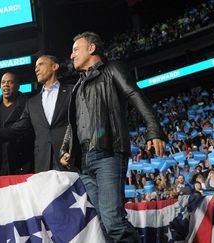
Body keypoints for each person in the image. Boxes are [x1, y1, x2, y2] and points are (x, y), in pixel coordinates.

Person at [60, 32, 166, 242]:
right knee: (104, 225)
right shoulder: (78, 86)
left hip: (108, 154)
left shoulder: (111, 69)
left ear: (91, 49)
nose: (71, 56)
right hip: (84, 162)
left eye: (75, 50)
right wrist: (66, 148)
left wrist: (154, 129)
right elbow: (74, 123)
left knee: (113, 221)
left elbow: (135, 95)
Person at [0, 55, 76, 172]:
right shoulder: (33, 102)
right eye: (35, 66)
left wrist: (70, 149)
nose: (36, 69)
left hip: (67, 159)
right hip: (42, 164)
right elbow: (16, 129)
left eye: (41, 64)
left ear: (54, 66)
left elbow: (78, 123)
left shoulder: (72, 91)